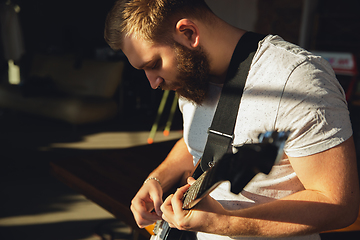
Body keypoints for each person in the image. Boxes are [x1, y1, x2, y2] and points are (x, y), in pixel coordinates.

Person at [104, 0, 360, 239]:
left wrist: (223, 223)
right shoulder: (192, 77)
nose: (152, 82)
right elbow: (199, 143)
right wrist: (157, 179)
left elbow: (339, 204)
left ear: (189, 33)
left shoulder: (297, 82)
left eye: (154, 64)